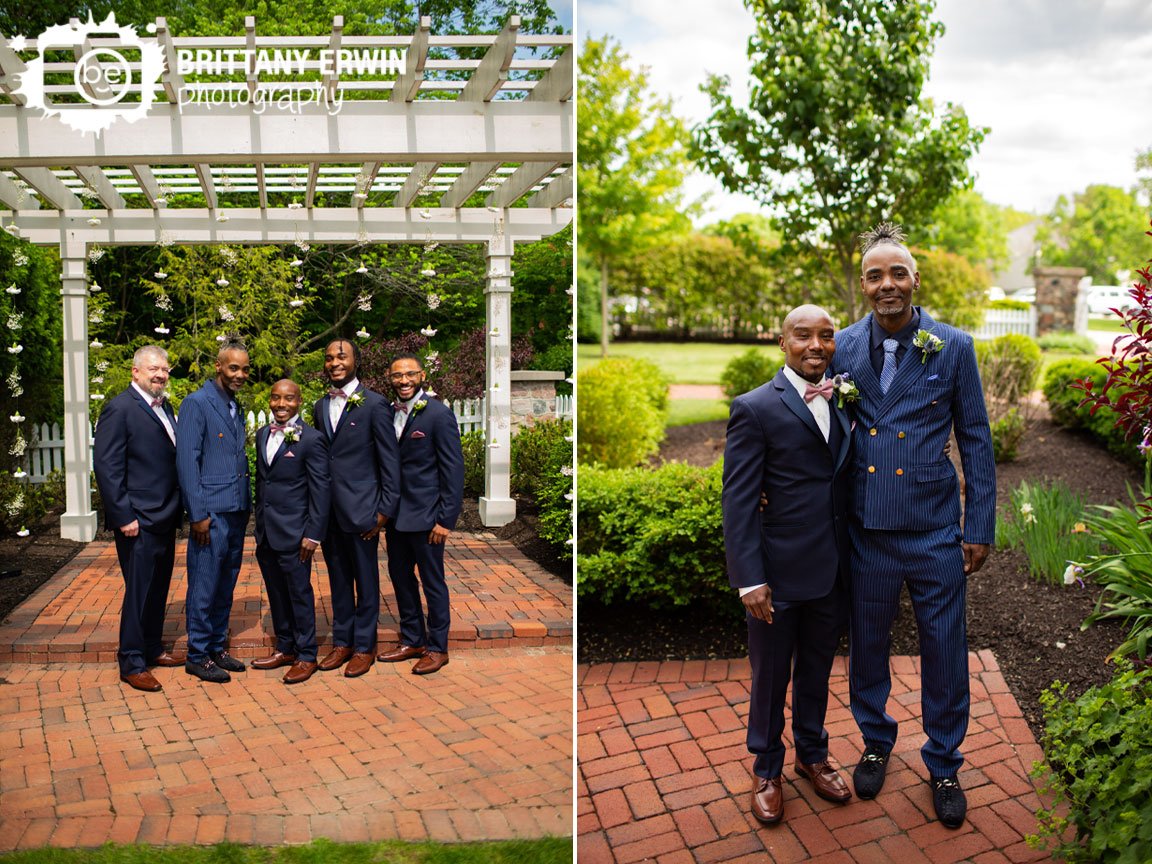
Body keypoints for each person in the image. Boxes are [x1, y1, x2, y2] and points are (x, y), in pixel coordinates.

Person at [830, 222, 996, 828]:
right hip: (866, 529)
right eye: (875, 275)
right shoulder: (842, 347)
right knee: (868, 646)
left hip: (933, 530)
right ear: (864, 285)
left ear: (915, 279)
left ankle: (944, 760)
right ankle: (876, 739)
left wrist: (978, 524)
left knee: (944, 649)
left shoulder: (953, 346)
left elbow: (975, 438)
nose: (886, 285)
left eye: (897, 272)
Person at [721, 305, 852, 825]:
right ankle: (767, 767)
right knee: (771, 675)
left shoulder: (844, 397)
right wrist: (750, 578)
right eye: (804, 336)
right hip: (776, 573)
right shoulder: (755, 407)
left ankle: (812, 756)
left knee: (818, 671)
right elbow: (738, 501)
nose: (815, 345)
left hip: (833, 568)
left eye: (825, 336)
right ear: (783, 342)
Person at [93, 346, 183, 693]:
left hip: (164, 514)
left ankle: (152, 646)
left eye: (164, 369)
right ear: (135, 372)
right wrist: (123, 515)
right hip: (138, 520)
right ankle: (131, 660)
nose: (160, 374)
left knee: (159, 587)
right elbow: (107, 466)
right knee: (138, 592)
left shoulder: (165, 406)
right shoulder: (120, 408)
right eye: (153, 369)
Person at [312, 339, 399, 678]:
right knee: (337, 581)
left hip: (364, 511)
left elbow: (389, 462)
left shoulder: (376, 405)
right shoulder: (320, 406)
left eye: (342, 357)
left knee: (366, 581)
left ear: (356, 361)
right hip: (330, 513)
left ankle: (365, 647)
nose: (334, 363)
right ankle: (342, 643)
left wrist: (384, 510)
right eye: (330, 358)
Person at [377, 354, 464, 676]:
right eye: (397, 375)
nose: (403, 381)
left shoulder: (438, 415)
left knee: (432, 582)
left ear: (422, 375)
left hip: (428, 518)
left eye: (410, 375)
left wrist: (446, 520)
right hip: (396, 517)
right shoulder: (387, 413)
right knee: (400, 577)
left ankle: (438, 647)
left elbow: (453, 471)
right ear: (390, 376)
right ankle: (412, 638)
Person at [176, 341, 253, 684]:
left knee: (226, 583)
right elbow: (187, 462)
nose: (240, 374)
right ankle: (197, 654)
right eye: (233, 368)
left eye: (245, 369)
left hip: (235, 510)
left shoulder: (234, 404)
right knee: (204, 584)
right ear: (218, 366)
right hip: (211, 513)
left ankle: (217, 646)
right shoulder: (197, 403)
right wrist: (197, 514)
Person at [251, 379, 330, 685]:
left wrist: (313, 533)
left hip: (296, 533)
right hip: (267, 532)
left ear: (299, 401)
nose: (281, 404)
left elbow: (321, 490)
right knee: (276, 593)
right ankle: (285, 647)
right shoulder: (261, 435)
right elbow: (264, 482)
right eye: (275, 398)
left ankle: (307, 654)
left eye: (288, 399)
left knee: (299, 594)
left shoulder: (311, 439)